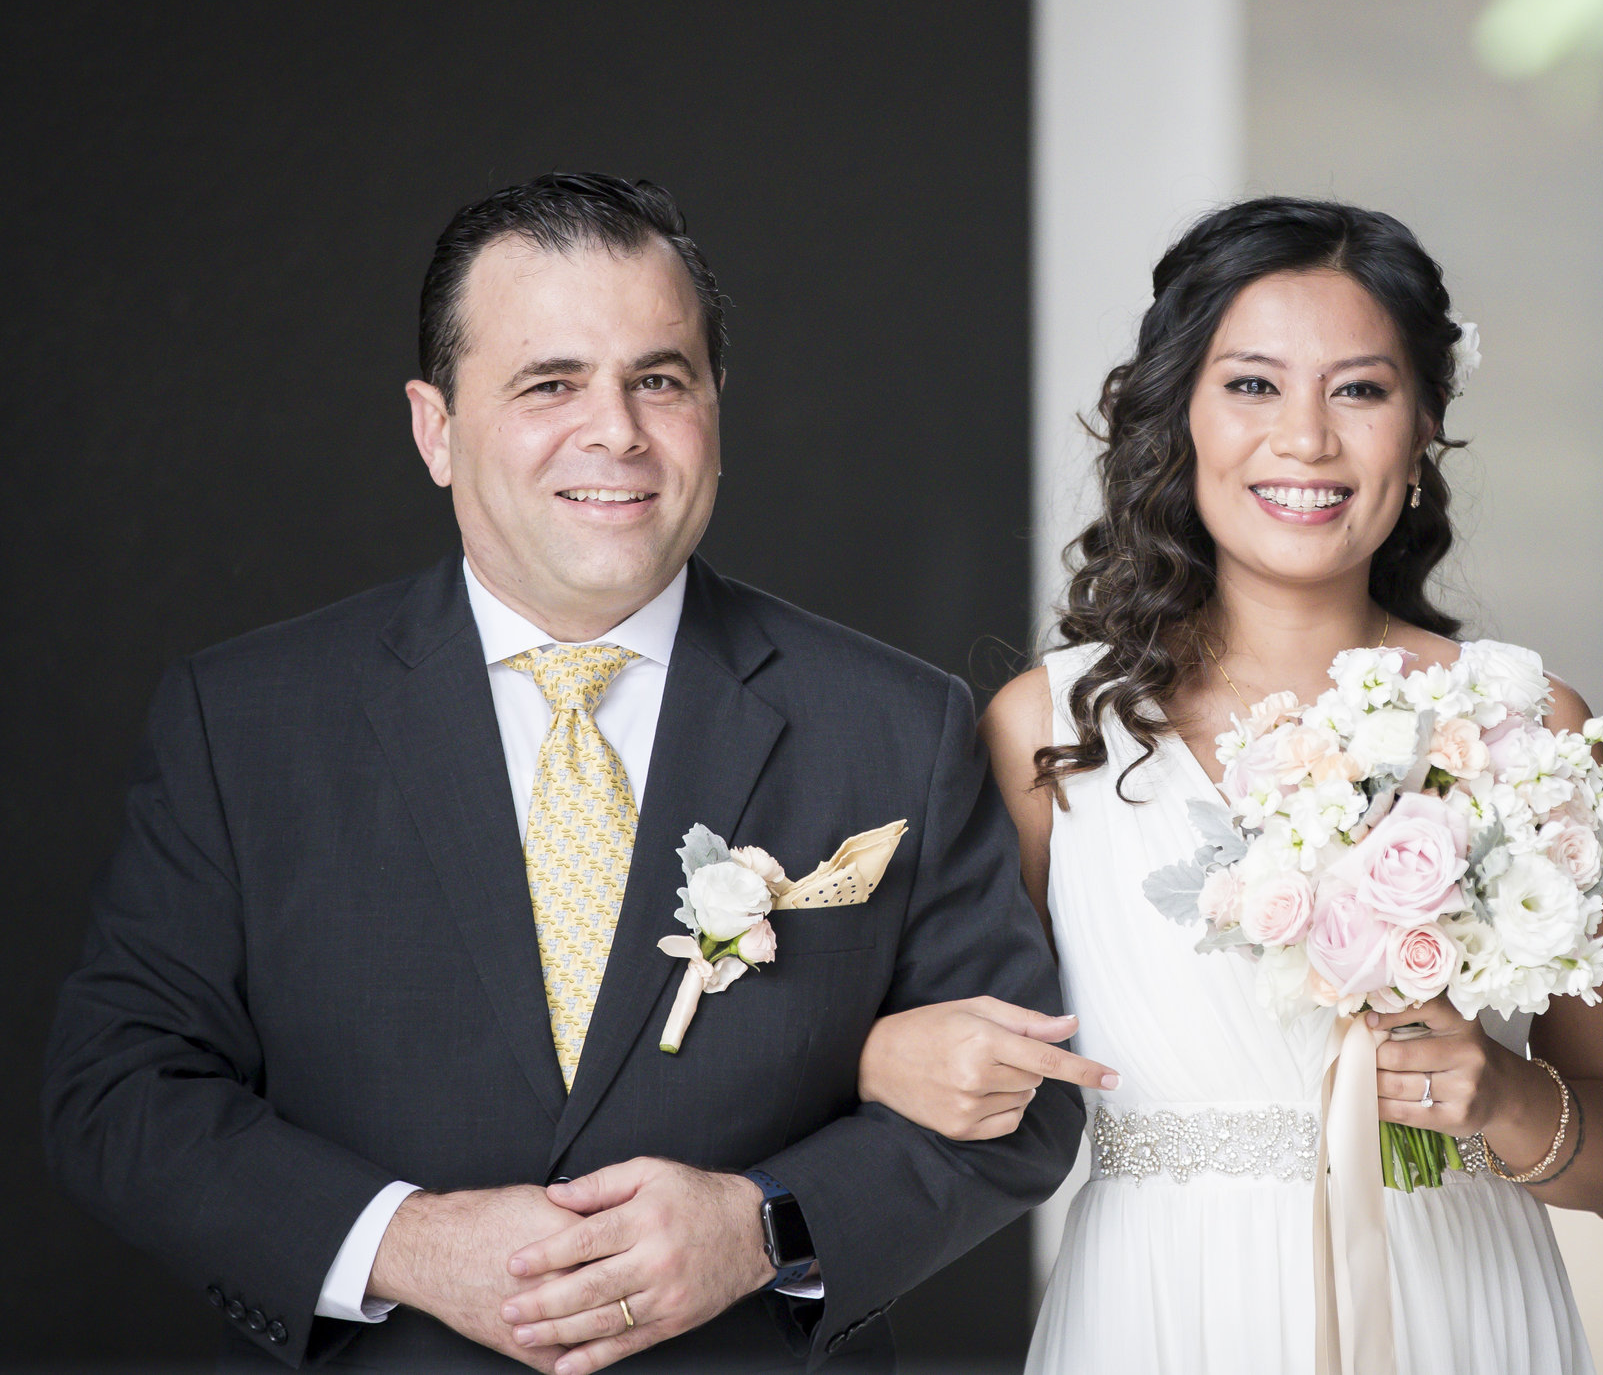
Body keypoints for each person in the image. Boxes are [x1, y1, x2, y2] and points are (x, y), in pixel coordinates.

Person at [42, 173, 1090, 1373]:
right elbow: (117, 1089)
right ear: (435, 428)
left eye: (660, 378)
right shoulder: (244, 720)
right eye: (550, 383)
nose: (618, 431)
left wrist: (766, 1226)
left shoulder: (893, 721)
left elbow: (1029, 1096)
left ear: (713, 404)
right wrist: (403, 1241)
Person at [865, 197, 1603, 1374]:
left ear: (1425, 421)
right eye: (1250, 385)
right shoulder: (1051, 733)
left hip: (1458, 1312)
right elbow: (928, 1044)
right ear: (1177, 416)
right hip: (1161, 1313)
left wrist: (1498, 1093)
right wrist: (877, 1052)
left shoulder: (1530, 726)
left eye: (1359, 389)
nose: (1305, 439)